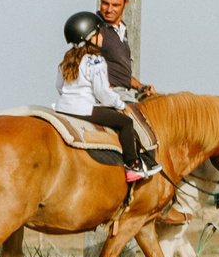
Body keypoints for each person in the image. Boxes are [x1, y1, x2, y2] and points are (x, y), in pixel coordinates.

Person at [56, 10, 155, 182]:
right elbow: (102, 93)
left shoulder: (66, 60)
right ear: (90, 37)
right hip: (84, 109)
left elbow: (59, 87)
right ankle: (133, 165)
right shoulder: (95, 61)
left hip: (63, 108)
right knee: (125, 122)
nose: (102, 36)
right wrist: (120, 105)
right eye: (99, 32)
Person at [96, 0, 154, 101]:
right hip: (109, 94)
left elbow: (119, 72)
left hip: (124, 93)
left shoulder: (122, 29)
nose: (109, 10)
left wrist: (140, 86)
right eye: (105, 3)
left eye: (115, 5)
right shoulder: (95, 28)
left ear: (126, 3)